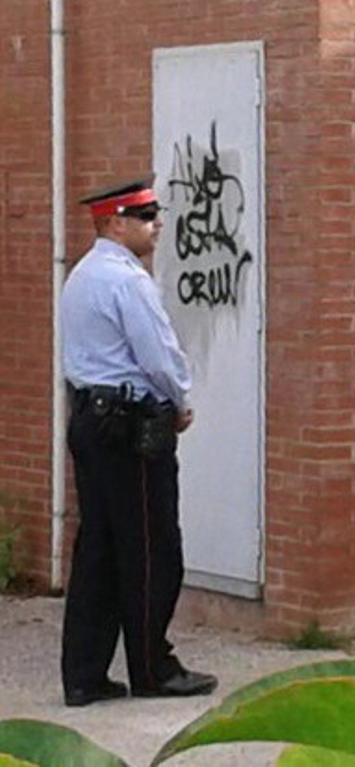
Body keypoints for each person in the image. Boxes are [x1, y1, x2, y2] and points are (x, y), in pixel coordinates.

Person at [60, 176, 218, 706]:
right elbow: (156, 355)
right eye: (145, 217)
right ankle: (153, 669)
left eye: (157, 214)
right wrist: (179, 401)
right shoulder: (127, 281)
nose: (156, 226)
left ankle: (83, 675)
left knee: (98, 550)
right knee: (152, 550)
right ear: (113, 223)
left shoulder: (81, 274)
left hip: (90, 418)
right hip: (130, 426)